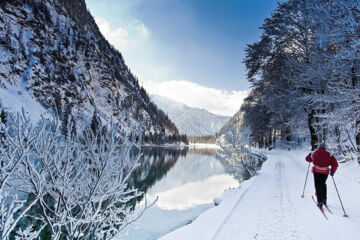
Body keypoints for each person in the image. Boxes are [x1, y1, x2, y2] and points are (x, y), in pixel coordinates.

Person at [305, 143, 338, 209]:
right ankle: (324, 199)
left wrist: (311, 153)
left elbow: (307, 159)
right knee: (323, 184)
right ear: (325, 148)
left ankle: (320, 202)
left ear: (319, 147)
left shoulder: (315, 152)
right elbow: (335, 164)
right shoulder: (329, 154)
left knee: (318, 185)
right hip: (325, 172)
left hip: (317, 171)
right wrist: (332, 172)